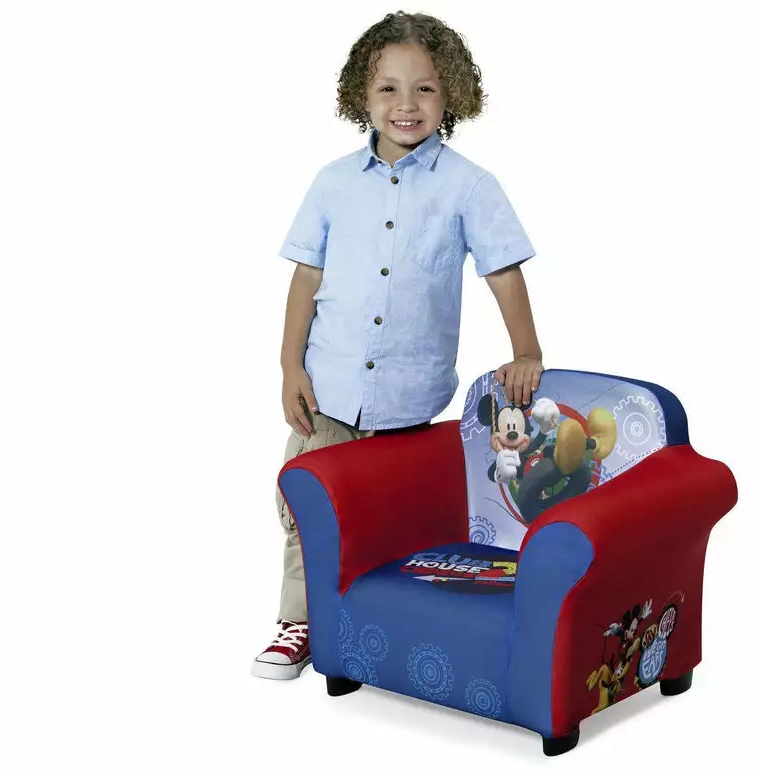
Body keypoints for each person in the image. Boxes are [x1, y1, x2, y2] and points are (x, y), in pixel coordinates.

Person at [252, 11, 544, 680]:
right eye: (388, 88)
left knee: (391, 517)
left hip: (410, 402)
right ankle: (301, 620)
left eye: (425, 89)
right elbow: (306, 277)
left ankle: (380, 622)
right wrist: (289, 365)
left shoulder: (469, 186)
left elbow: (503, 272)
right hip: (328, 393)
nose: (405, 104)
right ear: (361, 94)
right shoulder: (332, 182)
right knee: (306, 506)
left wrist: (527, 351)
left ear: (452, 95)